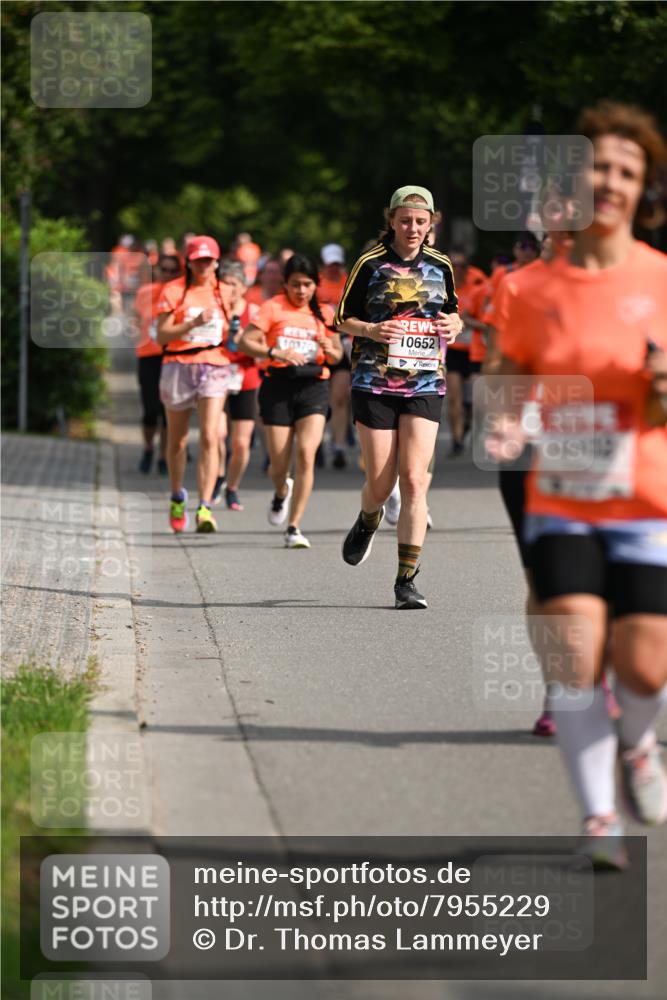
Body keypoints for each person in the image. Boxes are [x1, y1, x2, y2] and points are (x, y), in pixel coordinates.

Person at [488, 101, 667, 867]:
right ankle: (599, 817)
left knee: (644, 665)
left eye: (627, 172)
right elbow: (507, 373)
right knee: (574, 653)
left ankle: (640, 741)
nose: (612, 182)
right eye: (598, 166)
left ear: (643, 189)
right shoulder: (530, 290)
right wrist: (505, 423)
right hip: (562, 495)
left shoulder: (661, 280)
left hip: (646, 496)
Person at [334, 185, 462, 609]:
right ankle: (369, 519)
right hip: (374, 382)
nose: (412, 228)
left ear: (431, 225)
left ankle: (406, 580)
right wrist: (371, 330)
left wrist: (455, 327)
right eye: (405, 220)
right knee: (382, 480)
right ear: (391, 220)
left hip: (425, 381)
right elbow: (340, 319)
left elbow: (453, 312)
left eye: (420, 222)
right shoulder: (370, 263)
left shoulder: (441, 265)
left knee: (415, 479)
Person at [238, 254, 343, 549]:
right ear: (285, 284)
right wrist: (274, 352)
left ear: (315, 285)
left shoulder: (324, 313)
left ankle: (294, 526)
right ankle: (281, 491)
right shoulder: (273, 308)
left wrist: (328, 347)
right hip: (278, 386)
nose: (301, 291)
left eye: (307, 284)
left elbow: (336, 356)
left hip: (314, 386)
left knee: (307, 454)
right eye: (295, 284)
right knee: (279, 464)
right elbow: (245, 342)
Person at [156, 235, 234, 534]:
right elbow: (161, 336)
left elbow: (234, 330)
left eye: (209, 260)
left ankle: (205, 507)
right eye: (198, 260)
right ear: (189, 262)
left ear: (217, 262)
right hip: (178, 365)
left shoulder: (226, 292)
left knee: (211, 437)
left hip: (214, 365)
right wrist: (192, 323)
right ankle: (177, 496)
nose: (204, 265)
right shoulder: (173, 291)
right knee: (176, 441)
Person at [211, 261, 261, 510]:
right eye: (225, 283)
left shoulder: (253, 312)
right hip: (215, 377)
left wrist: (246, 342)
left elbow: (263, 350)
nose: (229, 289)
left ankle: (232, 487)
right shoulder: (212, 310)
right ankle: (218, 476)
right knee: (217, 434)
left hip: (246, 378)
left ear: (243, 287)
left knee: (241, 443)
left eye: (234, 284)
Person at [133, 254, 182, 474]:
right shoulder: (145, 293)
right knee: (150, 410)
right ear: (157, 270)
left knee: (167, 411)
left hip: (172, 356)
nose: (168, 274)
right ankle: (148, 448)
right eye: (165, 269)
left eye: (173, 271)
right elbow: (135, 318)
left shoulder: (181, 294)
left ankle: (164, 456)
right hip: (148, 356)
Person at [446, 250, 488, 455]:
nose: (457, 269)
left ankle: (468, 421)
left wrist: (467, 320)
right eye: (453, 265)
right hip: (452, 350)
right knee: (454, 397)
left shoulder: (478, 288)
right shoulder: (443, 286)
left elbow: (487, 323)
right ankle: (456, 440)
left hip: (473, 350)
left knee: (471, 400)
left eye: (462, 265)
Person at [318, 243, 352, 469]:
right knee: (320, 399)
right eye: (330, 264)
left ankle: (339, 445)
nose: (334, 268)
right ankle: (317, 444)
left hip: (343, 343)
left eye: (337, 264)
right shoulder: (315, 283)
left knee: (340, 397)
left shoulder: (350, 280)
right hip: (319, 343)